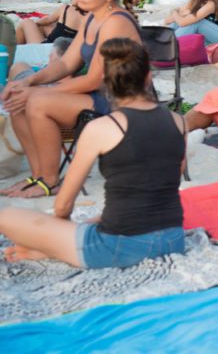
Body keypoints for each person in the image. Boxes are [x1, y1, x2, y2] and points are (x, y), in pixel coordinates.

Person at [0, 38, 186, 267]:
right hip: (172, 240)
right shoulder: (179, 121)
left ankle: (56, 250)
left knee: (7, 216)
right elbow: (164, 187)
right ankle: (61, 248)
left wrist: (55, 239)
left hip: (116, 247)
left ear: (106, 82)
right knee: (92, 223)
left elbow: (63, 206)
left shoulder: (100, 128)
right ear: (148, 77)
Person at [0, 0, 142, 198]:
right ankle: (39, 176)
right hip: (99, 95)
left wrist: (41, 92)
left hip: (123, 103)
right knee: (20, 97)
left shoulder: (115, 22)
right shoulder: (91, 19)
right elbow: (67, 63)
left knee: (37, 102)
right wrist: (29, 82)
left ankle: (51, 180)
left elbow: (93, 80)